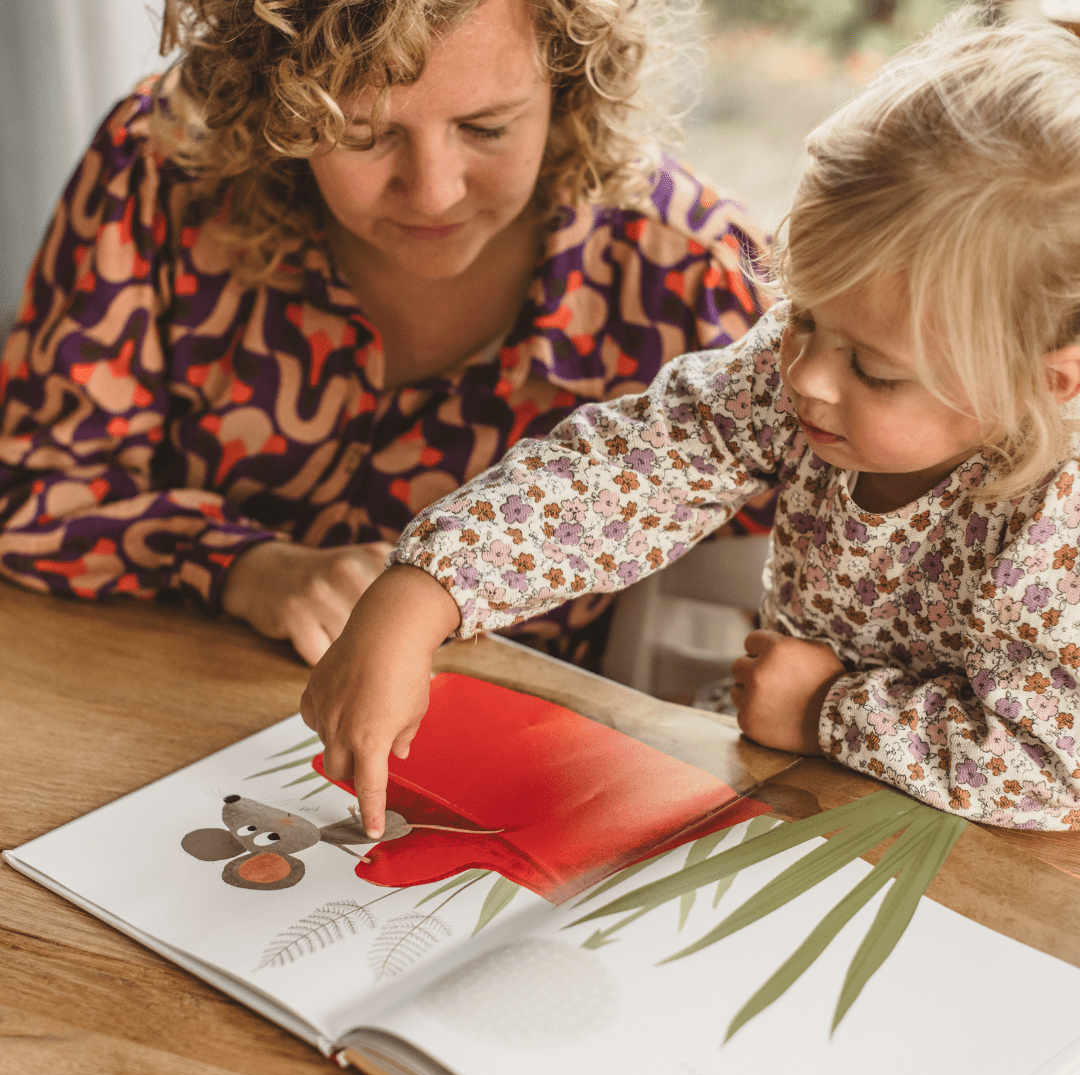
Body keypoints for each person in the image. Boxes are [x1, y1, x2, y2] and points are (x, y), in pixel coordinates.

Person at [301, 5, 1080, 838]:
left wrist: (827, 708)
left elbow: (1050, 769)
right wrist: (428, 588)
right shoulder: (804, 375)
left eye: (875, 372)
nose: (806, 376)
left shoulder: (1058, 521)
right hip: (792, 788)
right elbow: (633, 469)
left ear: (1047, 383)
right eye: (802, 315)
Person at [0, 0, 770, 669]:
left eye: (487, 128)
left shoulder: (695, 279)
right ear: (270, 101)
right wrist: (243, 567)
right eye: (362, 134)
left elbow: (810, 596)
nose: (433, 192)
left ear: (568, 83)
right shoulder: (165, 166)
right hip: (151, 700)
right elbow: (34, 497)